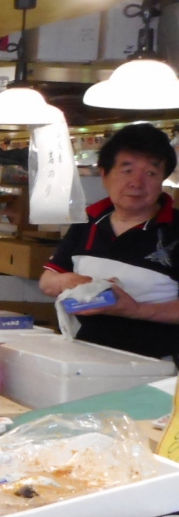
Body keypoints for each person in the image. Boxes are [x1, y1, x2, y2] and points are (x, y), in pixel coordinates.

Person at [40, 123, 179, 359]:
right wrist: (69, 281)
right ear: (104, 174)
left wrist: (137, 310)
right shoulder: (87, 222)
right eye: (127, 170)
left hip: (158, 366)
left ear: (162, 180)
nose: (137, 182)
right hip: (84, 356)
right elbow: (47, 281)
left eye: (151, 173)